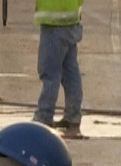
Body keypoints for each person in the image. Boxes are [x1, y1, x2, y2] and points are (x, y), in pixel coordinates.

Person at [32, 0, 85, 135]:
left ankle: (44, 115)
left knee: (50, 73)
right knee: (70, 71)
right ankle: (73, 114)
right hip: (71, 19)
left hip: (54, 21)